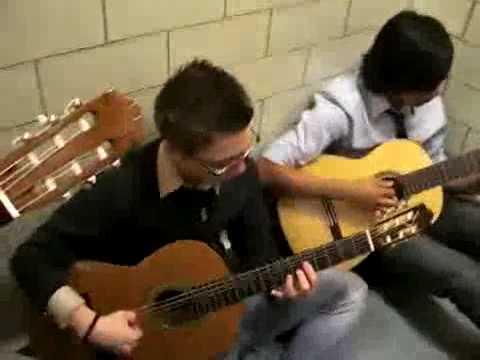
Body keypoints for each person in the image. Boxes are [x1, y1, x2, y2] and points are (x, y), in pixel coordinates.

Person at [10, 59, 367, 359]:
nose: (242, 169)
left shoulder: (240, 170)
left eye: (246, 149)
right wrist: (90, 324)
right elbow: (29, 257)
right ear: (176, 151)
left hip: (216, 305)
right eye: (222, 164)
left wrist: (285, 283)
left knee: (348, 291)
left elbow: (260, 255)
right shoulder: (121, 190)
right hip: (138, 339)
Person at [257, 10, 480, 329]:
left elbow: (437, 172)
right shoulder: (341, 107)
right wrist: (354, 191)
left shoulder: (428, 106)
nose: (443, 87)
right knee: (461, 273)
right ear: (404, 86)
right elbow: (266, 169)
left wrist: (472, 179)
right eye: (435, 82)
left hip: (422, 199)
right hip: (363, 229)